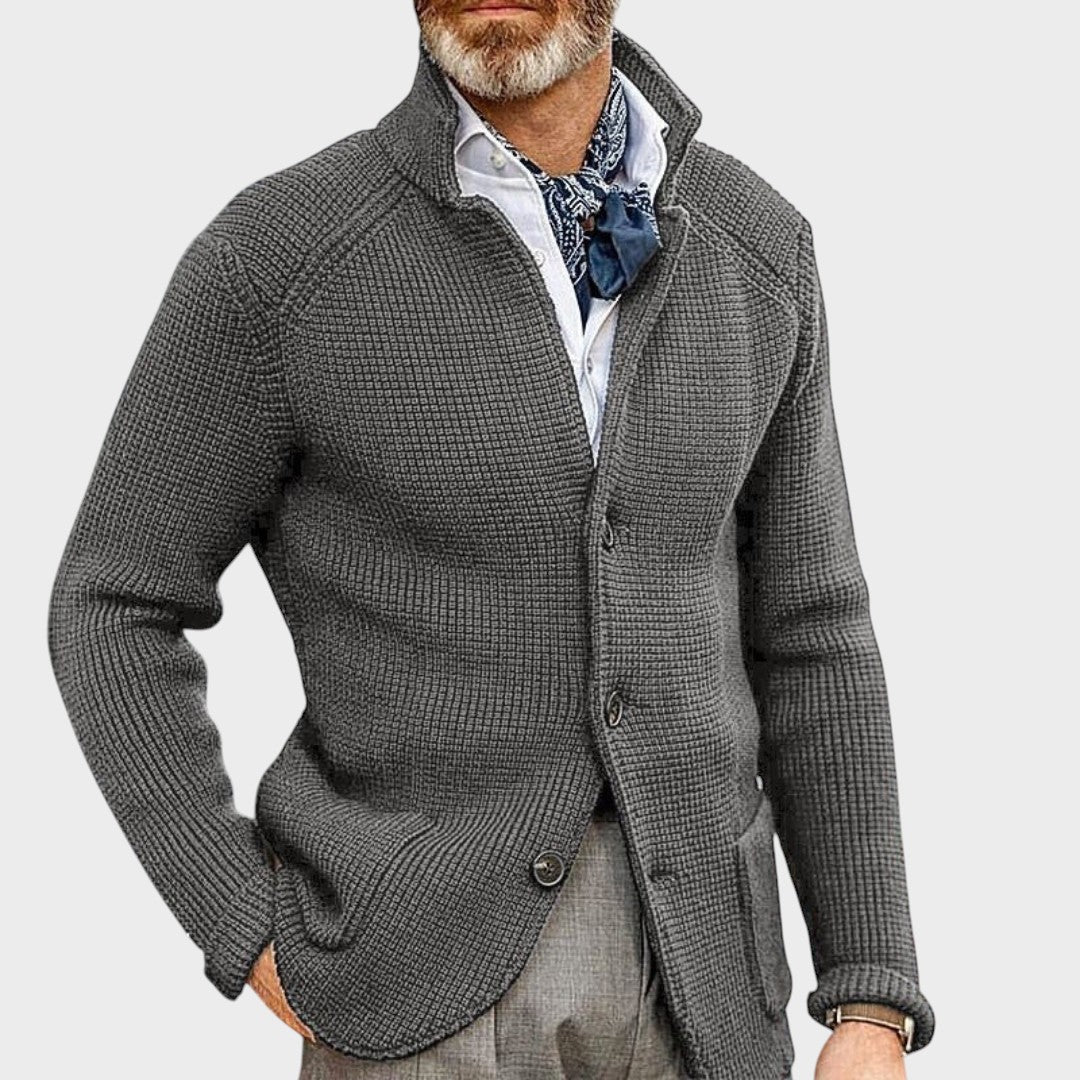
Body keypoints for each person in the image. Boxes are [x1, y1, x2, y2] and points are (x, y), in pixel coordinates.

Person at [46, 2, 936, 1078]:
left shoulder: (758, 245)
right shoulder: (281, 259)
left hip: (710, 986)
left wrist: (870, 992)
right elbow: (114, 599)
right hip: (411, 988)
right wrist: (238, 917)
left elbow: (811, 627)